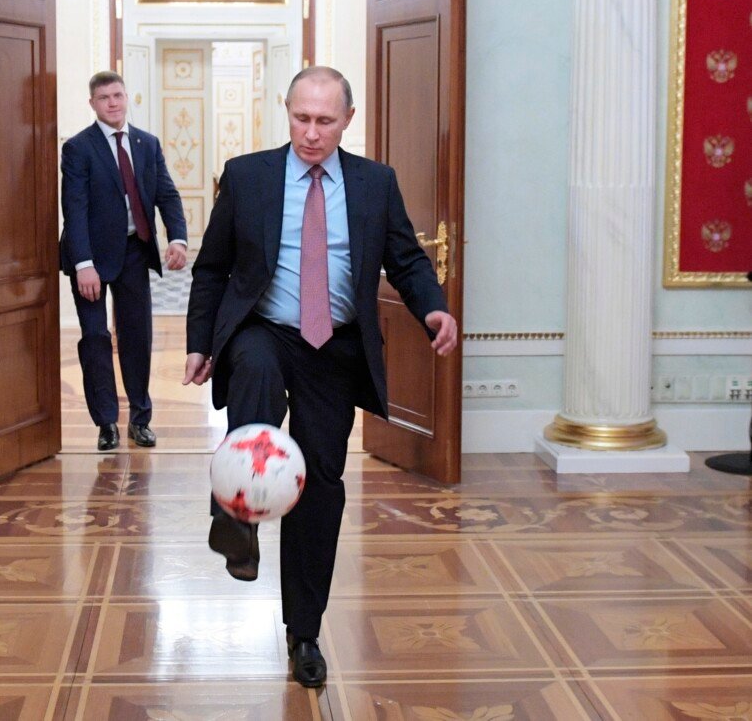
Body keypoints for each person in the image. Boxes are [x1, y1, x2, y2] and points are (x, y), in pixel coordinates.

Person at [182, 65, 458, 688]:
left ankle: (303, 631)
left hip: (333, 346)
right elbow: (211, 269)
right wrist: (201, 345)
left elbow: (407, 259)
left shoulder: (374, 183)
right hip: (266, 328)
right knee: (251, 366)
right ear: (288, 111)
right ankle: (238, 513)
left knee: (322, 484)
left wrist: (433, 306)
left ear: (347, 121)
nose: (310, 133)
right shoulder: (248, 175)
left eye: (324, 121)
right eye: (300, 118)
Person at [60, 70, 188, 451]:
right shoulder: (78, 148)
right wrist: (83, 264)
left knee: (137, 336)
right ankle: (106, 424)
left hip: (134, 250)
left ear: (126, 97)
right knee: (97, 338)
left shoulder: (146, 144)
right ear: (92, 104)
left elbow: (167, 194)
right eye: (104, 98)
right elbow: (75, 209)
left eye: (117, 95)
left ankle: (140, 418)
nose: (112, 103)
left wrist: (177, 238)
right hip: (92, 258)